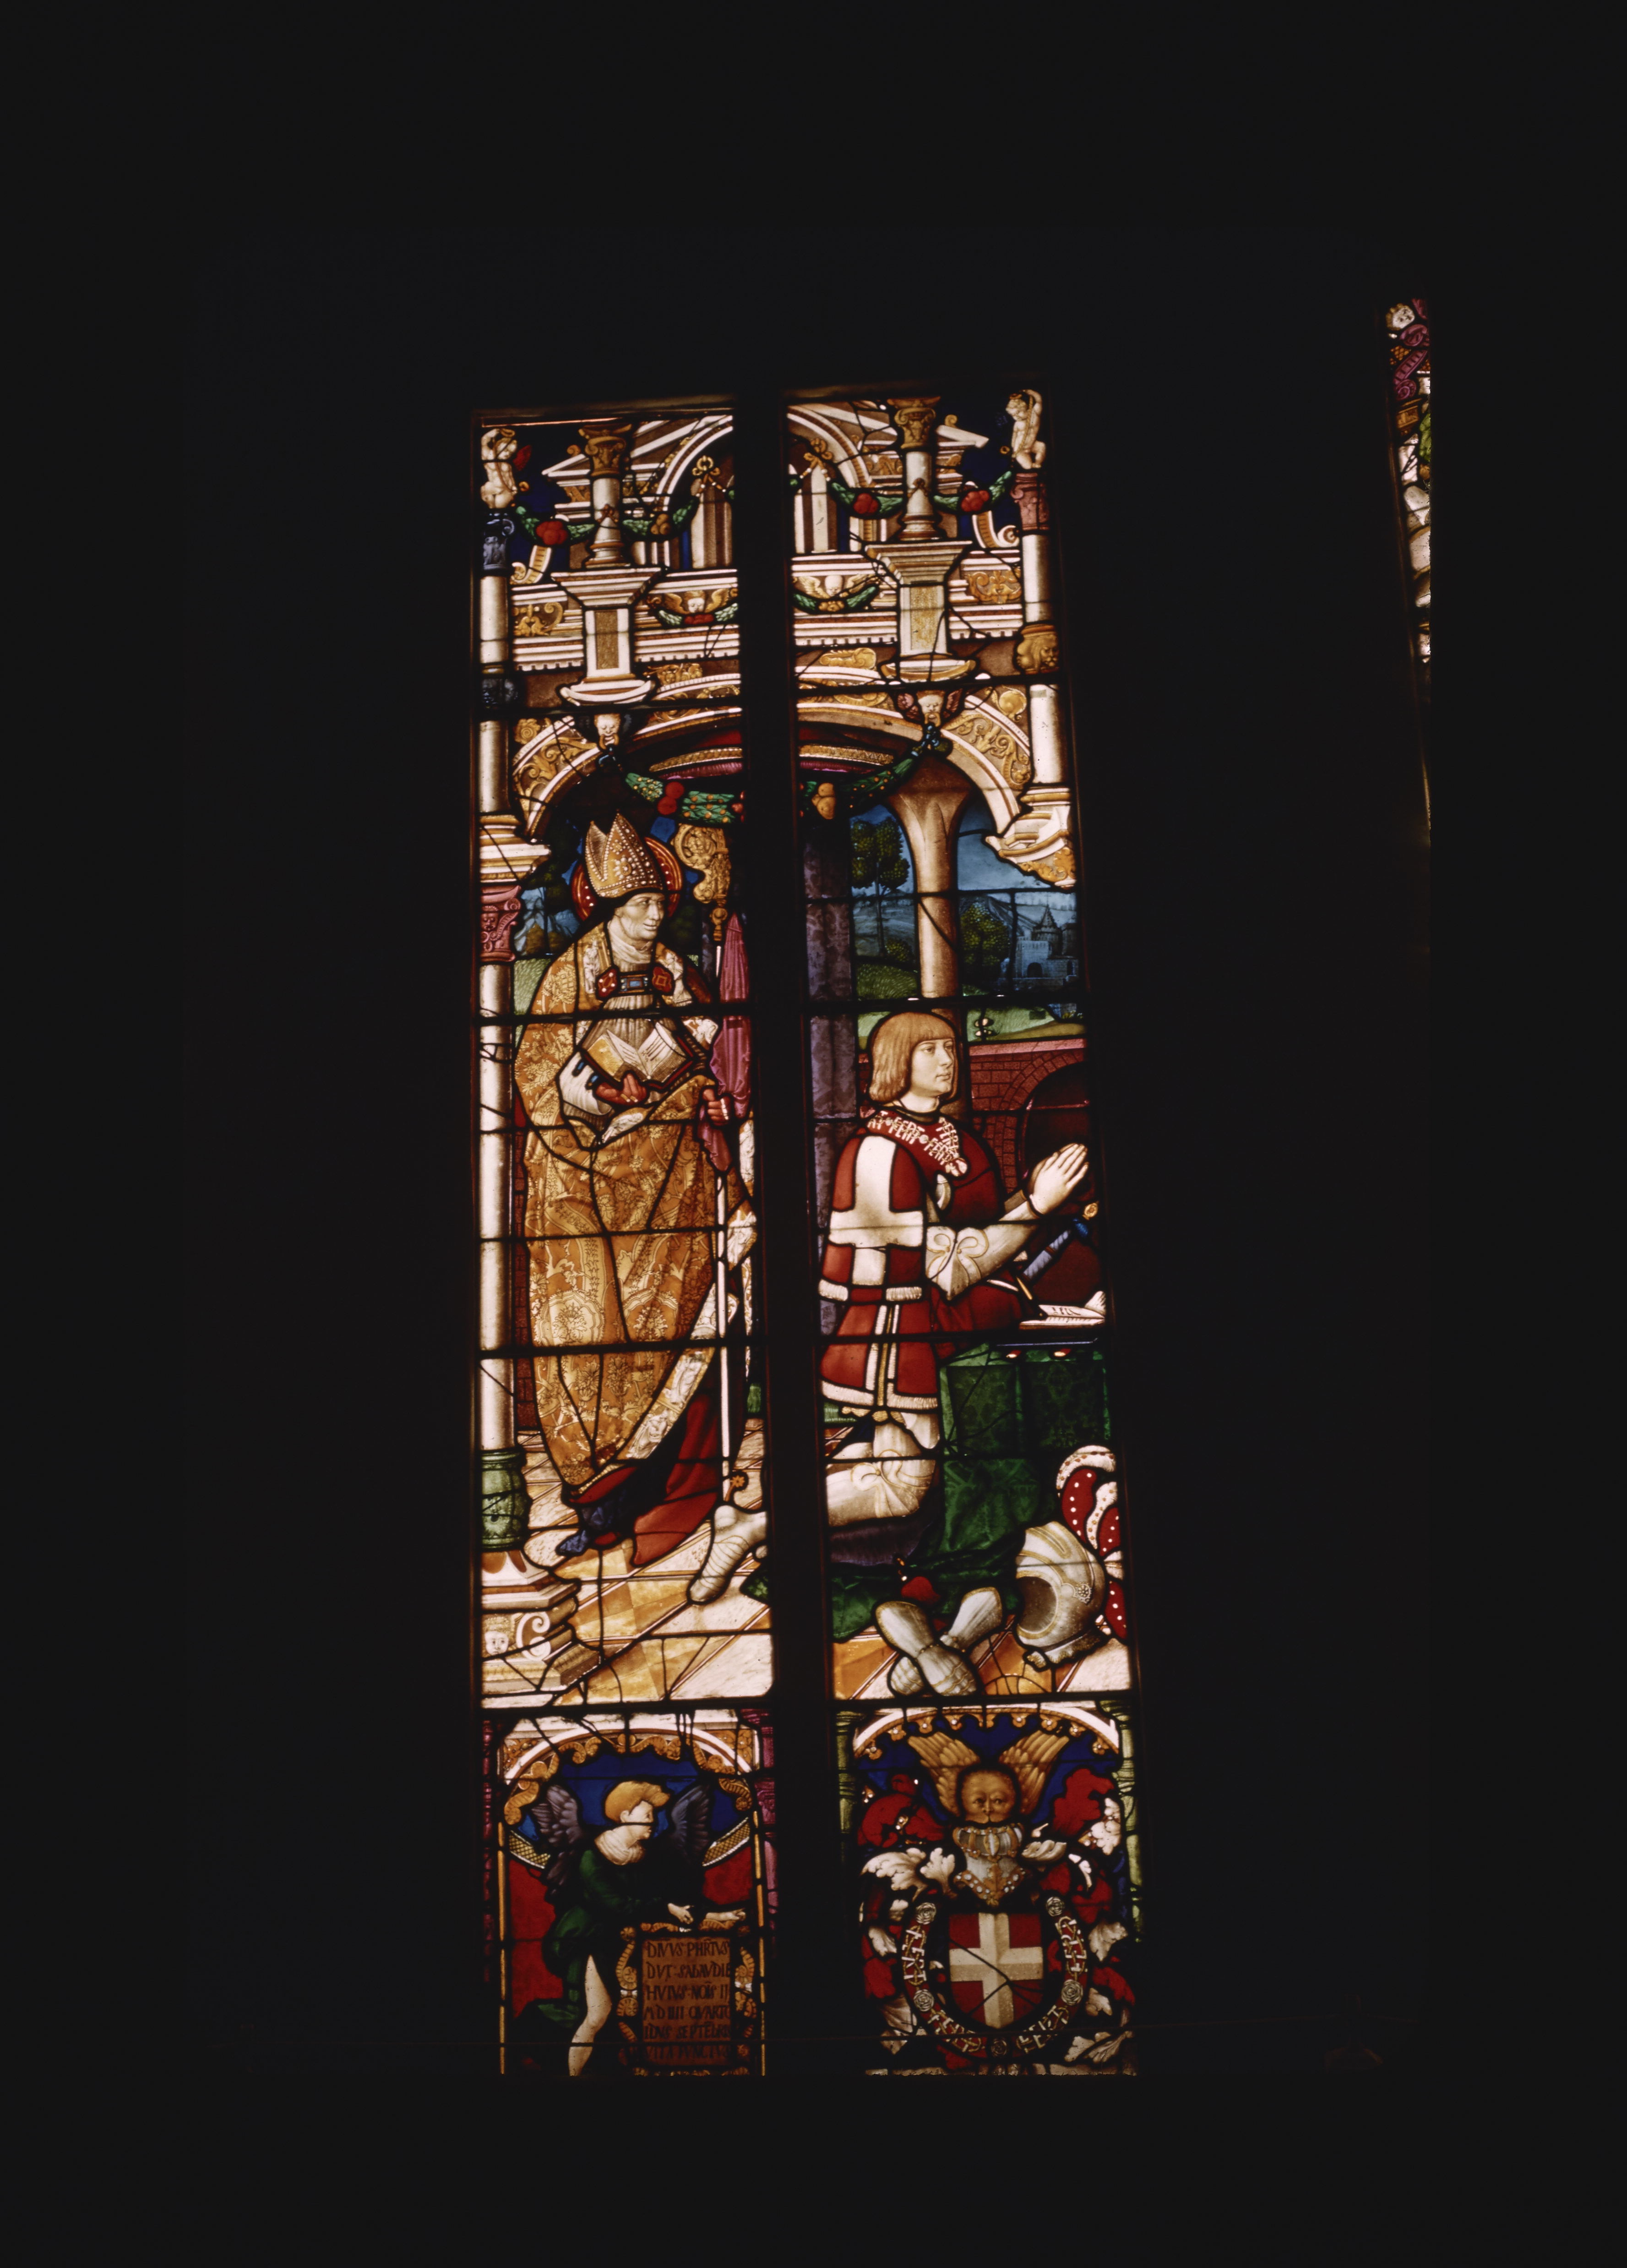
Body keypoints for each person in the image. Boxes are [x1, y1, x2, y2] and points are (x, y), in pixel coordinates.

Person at [690, 1011, 1089, 1688]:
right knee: (905, 1486)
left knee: (903, 1476)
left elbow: (979, 1243)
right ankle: (755, 1529)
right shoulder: (877, 1151)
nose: (948, 1061)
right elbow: (945, 1268)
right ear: (897, 1061)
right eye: (930, 1050)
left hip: (957, 1327)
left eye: (950, 1048)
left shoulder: (958, 1141)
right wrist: (1034, 1205)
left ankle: (753, 1527)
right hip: (902, 1329)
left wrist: (1029, 1225)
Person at [514, 813, 749, 1565]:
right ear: (609, 908)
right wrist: (600, 1097)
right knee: (589, 1348)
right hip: (581, 1183)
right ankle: (597, 1502)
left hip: (671, 1180)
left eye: (658, 903)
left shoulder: (677, 970)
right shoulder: (570, 974)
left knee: (672, 1336)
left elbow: (715, 1051)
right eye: (641, 905)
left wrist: (693, 1083)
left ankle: (659, 1491)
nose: (654, 916)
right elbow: (536, 1073)